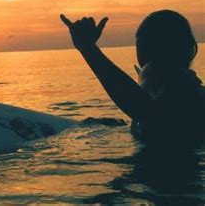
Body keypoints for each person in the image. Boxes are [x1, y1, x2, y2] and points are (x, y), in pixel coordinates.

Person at [60, 10, 204, 146]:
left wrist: (88, 48)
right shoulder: (189, 89)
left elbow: (146, 111)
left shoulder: (184, 89)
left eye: (145, 45)